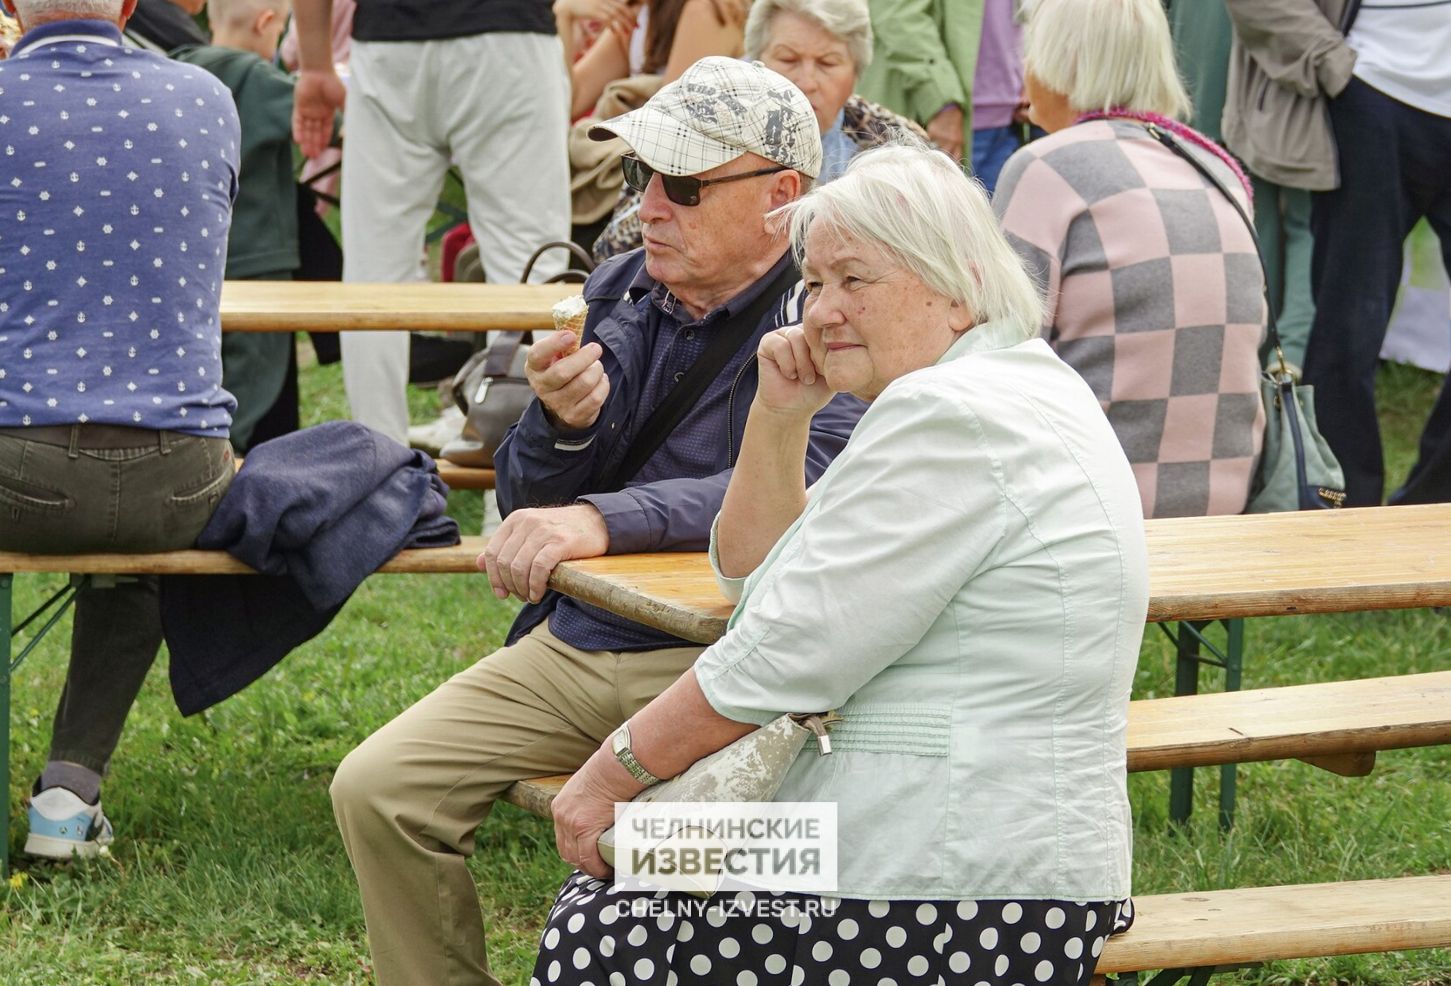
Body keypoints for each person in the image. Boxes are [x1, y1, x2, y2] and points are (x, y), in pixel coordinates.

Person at [540, 140, 1145, 986]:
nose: (820, 311)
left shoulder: (951, 414)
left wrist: (611, 773)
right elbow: (757, 584)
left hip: (948, 869)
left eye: (854, 280)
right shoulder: (1005, 384)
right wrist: (779, 418)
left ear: (959, 285)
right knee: (637, 867)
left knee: (604, 927)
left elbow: (789, 649)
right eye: (813, 284)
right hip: (981, 842)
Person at [328, 57, 865, 986]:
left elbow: (815, 478)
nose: (649, 206)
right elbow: (525, 495)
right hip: (584, 640)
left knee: (682, 873)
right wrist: (558, 426)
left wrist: (599, 519)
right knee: (377, 790)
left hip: (735, 662)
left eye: (684, 185)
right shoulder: (624, 286)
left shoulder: (833, 309)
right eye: (638, 176)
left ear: (784, 198)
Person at [0, 0, 238, 858]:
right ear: (132, 6)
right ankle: (67, 796)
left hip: (12, 469)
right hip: (176, 478)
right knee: (125, 565)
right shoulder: (206, 97)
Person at [994, 0, 1266, 519]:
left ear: (1059, 61)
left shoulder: (1046, 168)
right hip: (1226, 502)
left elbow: (997, 352)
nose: (1022, 73)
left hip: (1095, 509)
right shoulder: (1215, 167)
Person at [290, 0, 571, 446]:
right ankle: (528, 478)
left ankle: (380, 475)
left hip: (390, 43)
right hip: (509, 36)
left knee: (373, 275)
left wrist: (315, 66)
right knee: (530, 266)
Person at [1270, 1, 1451, 507]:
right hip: (1374, 92)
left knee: (1348, 328)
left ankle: (1433, 503)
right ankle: (1345, 507)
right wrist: (1332, 64)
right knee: (1349, 330)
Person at [592, 0, 923, 261]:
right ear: (755, 60)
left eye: (828, 63)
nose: (807, 81)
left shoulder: (893, 145)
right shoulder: (700, 126)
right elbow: (615, 248)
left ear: (856, 73)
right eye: (788, 59)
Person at [174, 0, 303, 455]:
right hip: (260, 256)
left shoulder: (176, 71)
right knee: (256, 382)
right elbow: (332, 127)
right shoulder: (260, 78)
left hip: (193, 254)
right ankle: (230, 467)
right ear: (266, 23)